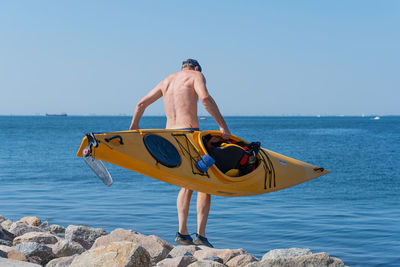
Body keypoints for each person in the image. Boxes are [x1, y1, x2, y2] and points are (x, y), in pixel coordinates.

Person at [129, 59, 231, 247]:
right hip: (187, 135)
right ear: (196, 68)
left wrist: (134, 126)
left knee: (186, 183)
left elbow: (141, 104)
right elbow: (206, 99)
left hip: (169, 138)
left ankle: (183, 233)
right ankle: (201, 235)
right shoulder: (196, 76)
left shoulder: (166, 81)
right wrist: (223, 127)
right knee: (205, 184)